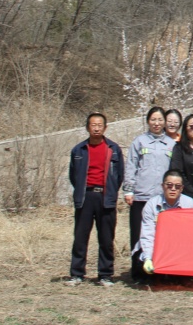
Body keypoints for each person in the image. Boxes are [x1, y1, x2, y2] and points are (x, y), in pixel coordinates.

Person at [67, 113, 124, 287]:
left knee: (106, 238)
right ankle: (77, 274)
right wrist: (82, 189)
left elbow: (119, 175)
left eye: (100, 125)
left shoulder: (113, 149)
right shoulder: (78, 150)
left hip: (105, 197)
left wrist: (111, 191)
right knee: (80, 237)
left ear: (105, 128)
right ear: (87, 127)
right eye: (93, 125)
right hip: (85, 197)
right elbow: (73, 176)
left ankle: (105, 275)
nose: (96, 128)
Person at [123, 106, 176, 282]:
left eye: (160, 120)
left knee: (161, 236)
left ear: (165, 122)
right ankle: (138, 273)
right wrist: (129, 190)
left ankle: (159, 271)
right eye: (153, 119)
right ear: (148, 121)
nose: (157, 123)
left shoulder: (171, 144)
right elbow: (131, 166)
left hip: (162, 198)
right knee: (139, 234)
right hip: (141, 196)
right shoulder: (139, 142)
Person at [138, 170, 193, 279]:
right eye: (169, 185)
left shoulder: (189, 204)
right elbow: (148, 234)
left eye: (177, 186)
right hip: (157, 248)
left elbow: (192, 234)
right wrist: (148, 258)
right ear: (162, 186)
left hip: (179, 249)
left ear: (182, 188)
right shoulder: (151, 204)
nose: (173, 189)